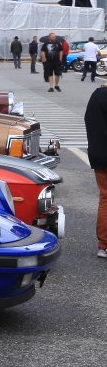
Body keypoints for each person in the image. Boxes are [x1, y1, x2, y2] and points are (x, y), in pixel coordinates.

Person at [84, 83, 107, 259]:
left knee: (105, 198)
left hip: (98, 153)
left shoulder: (97, 95)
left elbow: (88, 120)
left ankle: (104, 245)